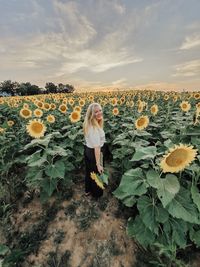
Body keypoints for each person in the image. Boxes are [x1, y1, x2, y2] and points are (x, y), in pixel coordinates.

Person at [83, 102, 106, 198]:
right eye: (96, 112)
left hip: (88, 150)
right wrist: (99, 164)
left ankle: (88, 190)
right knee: (97, 173)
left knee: (89, 172)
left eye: (100, 110)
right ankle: (97, 193)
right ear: (91, 114)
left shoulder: (90, 124)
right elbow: (97, 148)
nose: (99, 113)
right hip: (95, 152)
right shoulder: (94, 129)